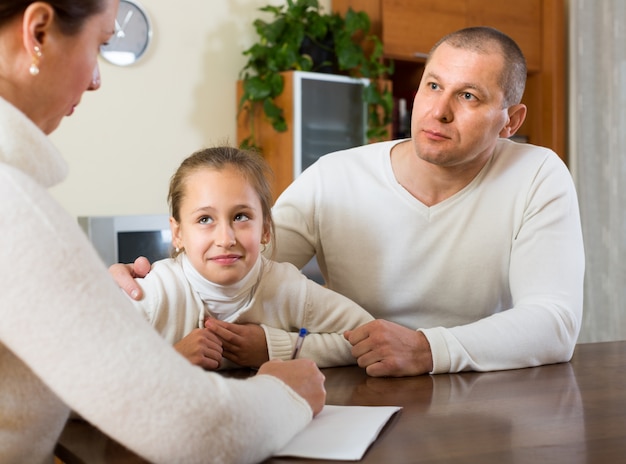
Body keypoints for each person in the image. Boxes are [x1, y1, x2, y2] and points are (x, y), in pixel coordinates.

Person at [113, 27, 585, 378]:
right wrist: (133, 287)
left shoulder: (538, 174)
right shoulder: (334, 176)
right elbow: (235, 262)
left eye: (468, 96)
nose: (438, 110)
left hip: (483, 398)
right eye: (433, 85)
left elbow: (554, 323)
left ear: (510, 119)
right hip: (358, 389)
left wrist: (425, 349)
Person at [0, 2, 325, 463]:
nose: (95, 79)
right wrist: (285, 393)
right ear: (38, 32)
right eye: (100, 45)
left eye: (242, 218)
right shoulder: (14, 206)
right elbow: (199, 431)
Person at [130, 145, 374, 370]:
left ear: (265, 228)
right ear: (178, 233)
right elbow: (95, 373)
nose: (225, 239)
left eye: (241, 217)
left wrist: (276, 349)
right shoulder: (155, 294)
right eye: (205, 219)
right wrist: (172, 360)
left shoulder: (288, 287)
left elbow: (369, 337)